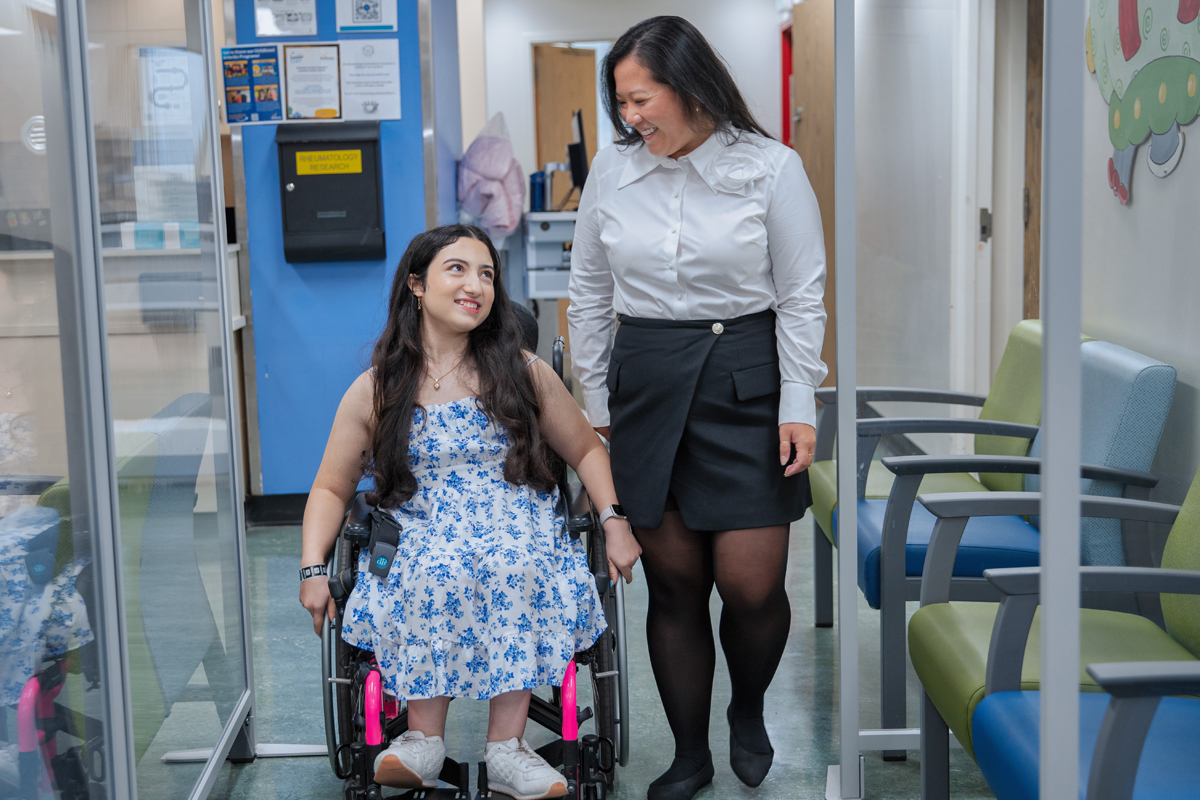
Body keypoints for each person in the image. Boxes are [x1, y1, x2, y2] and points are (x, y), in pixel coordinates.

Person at [567, 16, 827, 800]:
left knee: (751, 586)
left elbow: (802, 296)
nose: (630, 118)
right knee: (675, 586)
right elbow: (588, 295)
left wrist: (798, 400)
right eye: (621, 103)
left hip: (745, 380)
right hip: (647, 385)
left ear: (689, 85)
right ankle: (690, 753)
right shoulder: (612, 176)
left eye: (640, 98)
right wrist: (596, 409)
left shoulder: (771, 168)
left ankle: (747, 709)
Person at [299, 225, 642, 800]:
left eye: (486, 274)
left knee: (514, 565)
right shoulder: (378, 387)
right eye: (456, 269)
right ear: (416, 284)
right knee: (433, 571)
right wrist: (313, 569)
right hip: (421, 521)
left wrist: (613, 520)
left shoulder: (523, 372)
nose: (475, 285)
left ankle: (508, 750)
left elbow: (584, 449)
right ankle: (421, 742)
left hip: (518, 516)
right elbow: (332, 489)